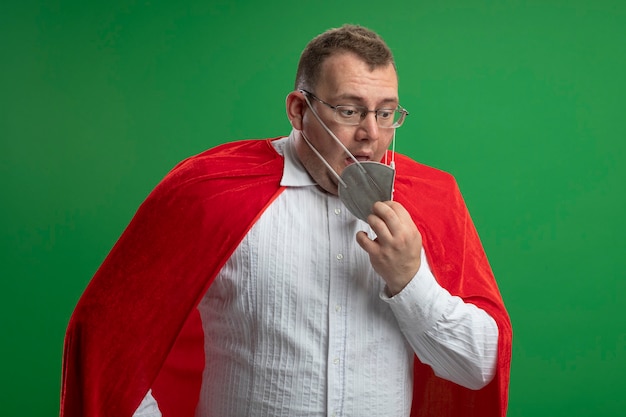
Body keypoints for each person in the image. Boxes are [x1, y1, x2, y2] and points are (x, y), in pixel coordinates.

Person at [60, 24, 512, 417]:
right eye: (349, 110)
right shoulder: (211, 189)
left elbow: (479, 368)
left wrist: (411, 281)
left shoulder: (432, 199)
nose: (371, 133)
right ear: (299, 110)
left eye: (386, 112)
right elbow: (104, 342)